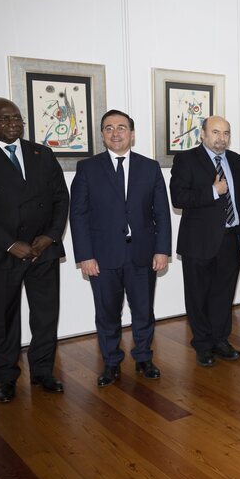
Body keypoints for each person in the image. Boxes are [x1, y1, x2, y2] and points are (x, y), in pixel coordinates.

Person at [0, 98, 69, 403]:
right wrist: (10, 243)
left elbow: (61, 198)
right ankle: (6, 377)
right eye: (4, 120)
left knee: (45, 316)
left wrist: (50, 236)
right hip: (1, 253)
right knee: (3, 319)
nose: (12, 124)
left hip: (43, 250)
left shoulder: (41, 153)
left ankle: (43, 371)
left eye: (16, 118)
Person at [70, 110, 172, 386]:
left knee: (143, 311)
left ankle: (143, 358)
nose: (116, 133)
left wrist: (162, 250)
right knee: (107, 313)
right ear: (102, 134)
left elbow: (161, 212)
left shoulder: (149, 167)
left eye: (122, 128)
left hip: (142, 253)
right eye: (109, 128)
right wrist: (85, 256)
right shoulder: (87, 168)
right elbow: (78, 215)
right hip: (102, 256)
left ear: (132, 134)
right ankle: (111, 363)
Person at [170, 116, 240, 368]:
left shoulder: (237, 161)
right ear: (202, 135)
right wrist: (212, 191)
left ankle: (220, 340)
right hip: (198, 240)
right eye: (215, 132)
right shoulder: (186, 159)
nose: (221, 138)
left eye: (226, 133)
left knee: (223, 294)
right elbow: (178, 197)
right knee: (198, 295)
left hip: (230, 238)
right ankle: (203, 344)